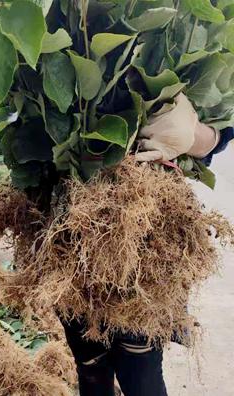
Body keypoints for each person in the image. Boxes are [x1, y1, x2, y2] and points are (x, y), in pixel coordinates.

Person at [62, 93, 234, 396]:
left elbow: (219, 134)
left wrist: (195, 133)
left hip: (147, 253)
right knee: (90, 365)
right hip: (70, 253)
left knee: (139, 366)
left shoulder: (168, 50)